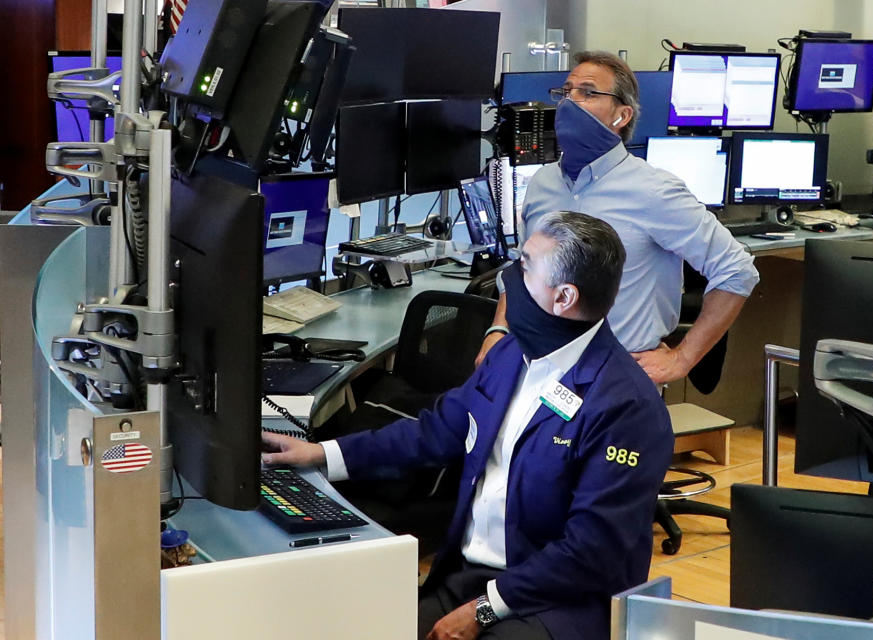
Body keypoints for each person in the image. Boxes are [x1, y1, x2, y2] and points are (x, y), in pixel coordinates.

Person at [262, 211, 674, 640]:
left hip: (557, 602)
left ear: (564, 298)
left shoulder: (626, 408)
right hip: (469, 578)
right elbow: (434, 432)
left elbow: (591, 553)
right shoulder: (511, 354)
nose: (509, 277)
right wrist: (323, 453)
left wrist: (484, 610)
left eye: (526, 265)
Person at [476, 51, 759, 385]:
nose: (570, 102)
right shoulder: (542, 183)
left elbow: (737, 271)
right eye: (566, 92)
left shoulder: (654, 191)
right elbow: (523, 272)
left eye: (588, 92)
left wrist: (682, 360)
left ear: (622, 115)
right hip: (538, 372)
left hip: (615, 379)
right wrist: (497, 330)